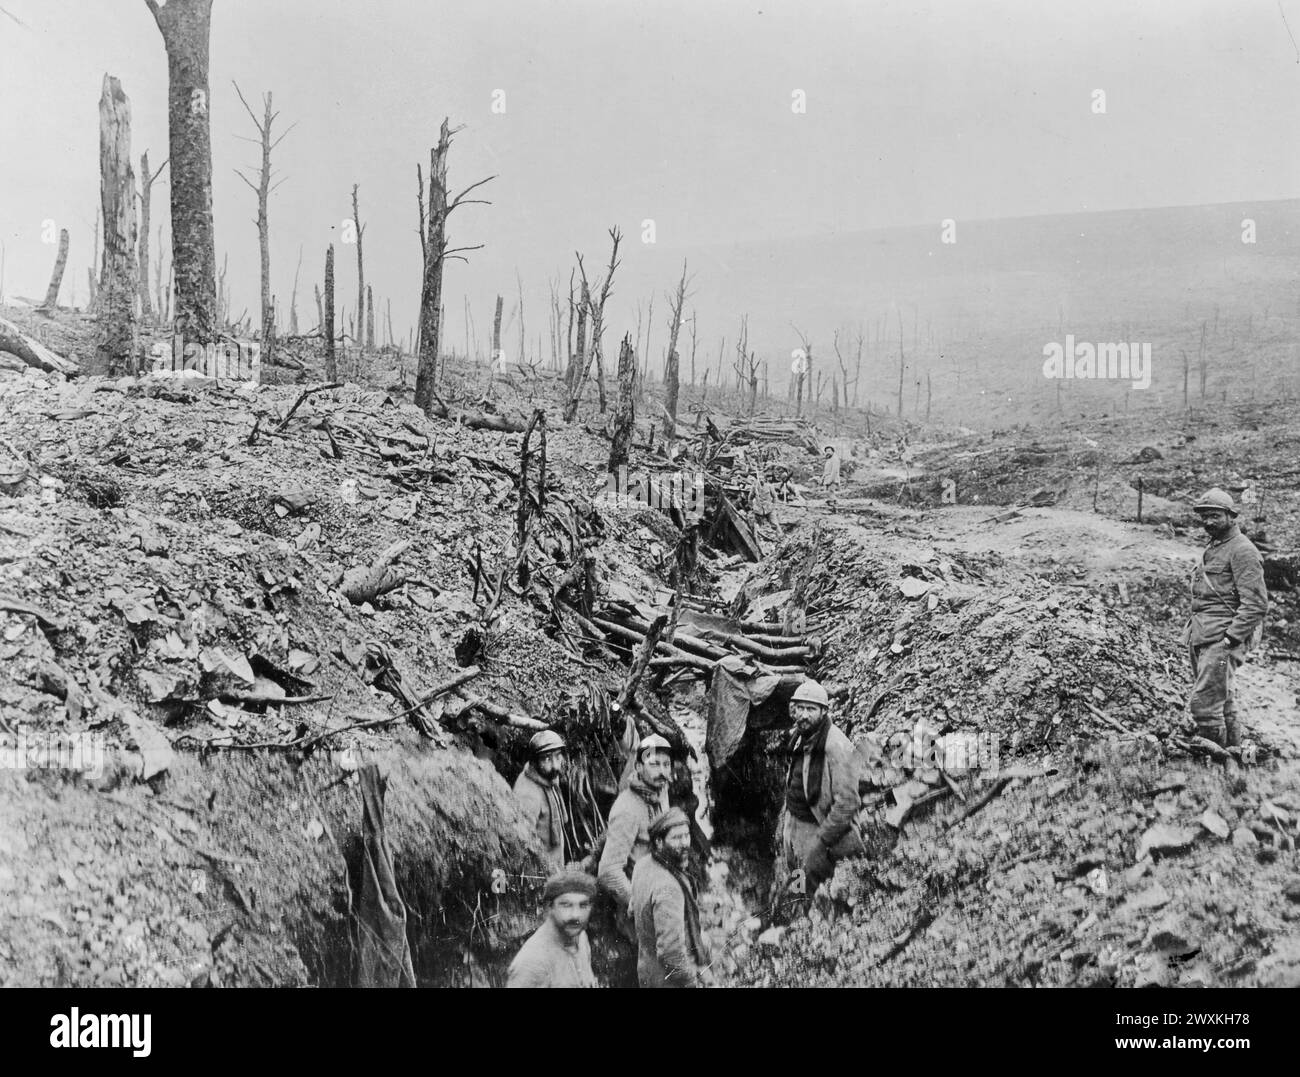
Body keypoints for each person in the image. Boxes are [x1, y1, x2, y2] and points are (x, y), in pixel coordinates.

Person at [1183, 488, 1268, 752]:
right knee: (1225, 699)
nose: (1208, 522)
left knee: (1205, 704)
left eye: (1215, 516)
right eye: (1204, 516)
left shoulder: (1243, 550)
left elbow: (1256, 604)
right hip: (1203, 633)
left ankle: (1212, 770)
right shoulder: (1216, 547)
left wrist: (1230, 638)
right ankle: (1234, 760)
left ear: (1231, 516)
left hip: (1222, 638)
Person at [780, 679, 865, 898]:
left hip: (816, 826)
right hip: (795, 823)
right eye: (800, 708)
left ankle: (807, 918)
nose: (804, 715)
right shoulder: (800, 737)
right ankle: (796, 903)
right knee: (795, 870)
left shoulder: (835, 745)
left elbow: (848, 802)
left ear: (824, 711)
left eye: (811, 709)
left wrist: (821, 840)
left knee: (812, 880)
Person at [630, 807, 710, 988]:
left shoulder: (642, 865)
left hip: (647, 969)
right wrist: (692, 982)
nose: (685, 843)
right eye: (676, 838)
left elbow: (632, 909)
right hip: (669, 981)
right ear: (658, 842)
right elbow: (671, 954)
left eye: (686, 835)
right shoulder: (669, 887)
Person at [597, 733, 672, 921]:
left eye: (666, 764)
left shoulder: (661, 790)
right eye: (654, 764)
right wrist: (638, 904)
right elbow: (608, 872)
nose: (662, 771)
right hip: (640, 909)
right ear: (638, 767)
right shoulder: (627, 809)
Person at [506, 870, 597, 988]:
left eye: (583, 905)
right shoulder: (533, 962)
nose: (576, 915)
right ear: (549, 907)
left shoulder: (580, 936)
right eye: (566, 905)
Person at [513, 730, 568, 871]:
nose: (555, 765)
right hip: (541, 873)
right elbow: (522, 844)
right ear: (535, 761)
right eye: (547, 759)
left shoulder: (548, 778)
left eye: (557, 756)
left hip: (556, 867)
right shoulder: (528, 794)